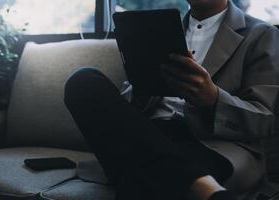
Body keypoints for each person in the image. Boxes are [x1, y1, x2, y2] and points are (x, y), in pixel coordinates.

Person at [64, 0, 279, 199]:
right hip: (146, 132)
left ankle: (183, 180)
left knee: (138, 178)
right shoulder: (157, 29)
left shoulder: (261, 35)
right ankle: (202, 186)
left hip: (208, 143)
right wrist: (141, 86)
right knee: (82, 81)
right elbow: (126, 106)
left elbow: (265, 121)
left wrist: (213, 99)